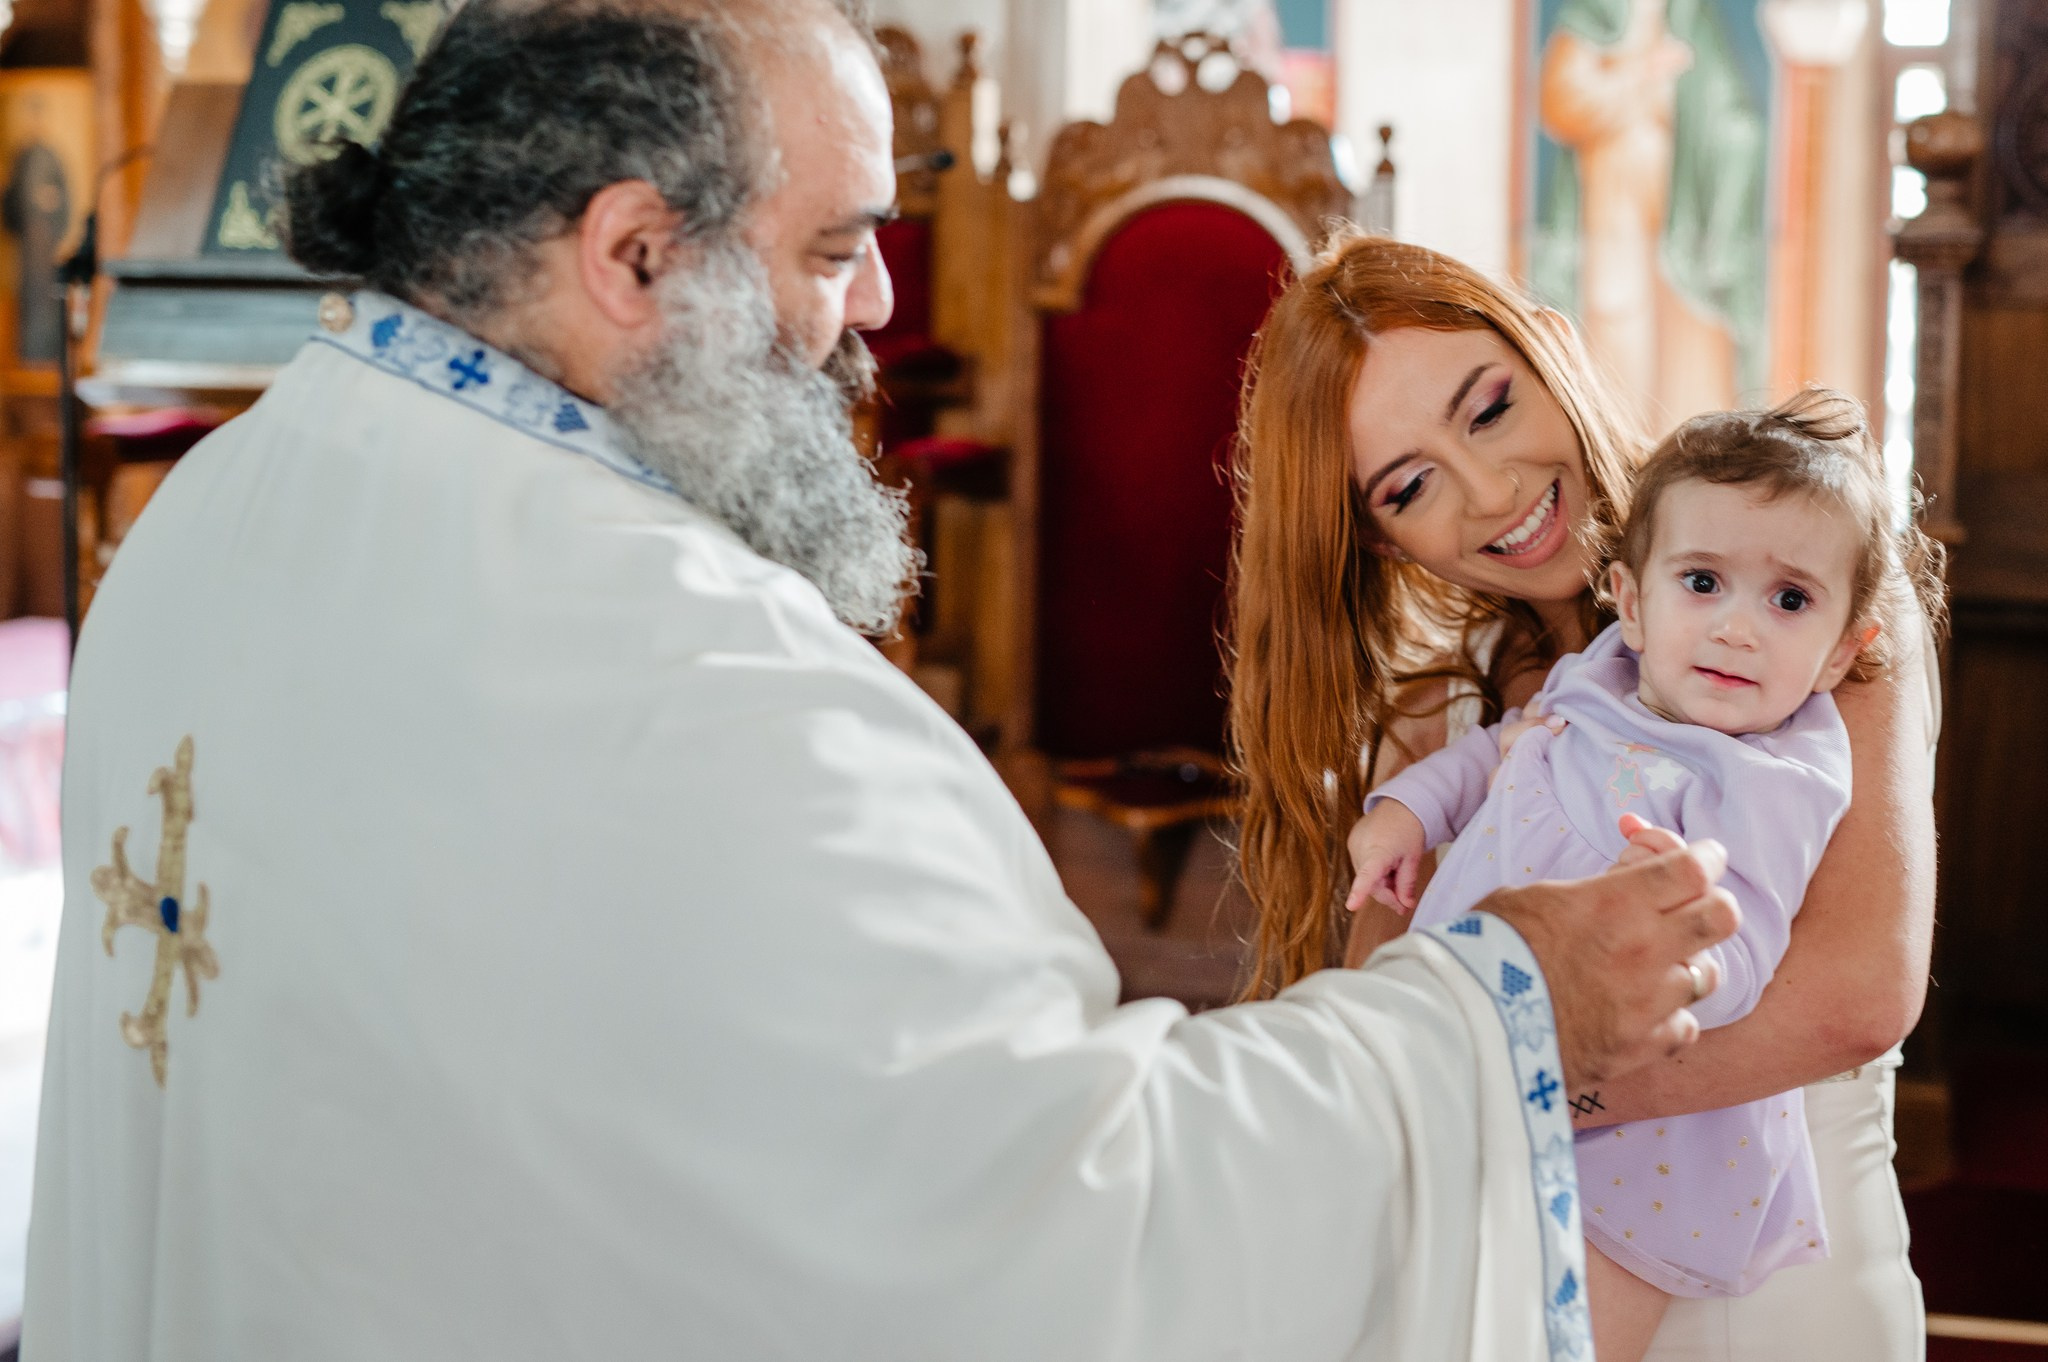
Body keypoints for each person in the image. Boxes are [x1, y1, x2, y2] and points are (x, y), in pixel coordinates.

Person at [22, 4, 1737, 1359]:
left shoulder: (210, 516)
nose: (883, 300)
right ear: (633, 259)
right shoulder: (706, 689)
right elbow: (1076, 1234)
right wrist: (1501, 1010)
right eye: (836, 243)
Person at [1229, 233, 1940, 1360]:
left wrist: (1528, 1094)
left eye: (1489, 408)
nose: (1492, 491)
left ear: (1547, 346)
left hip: (1776, 1286)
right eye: (1410, 486)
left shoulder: (1809, 596)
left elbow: (1856, 996)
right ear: (1376, 536)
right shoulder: (1437, 708)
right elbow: (1392, 1025)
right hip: (1517, 1272)